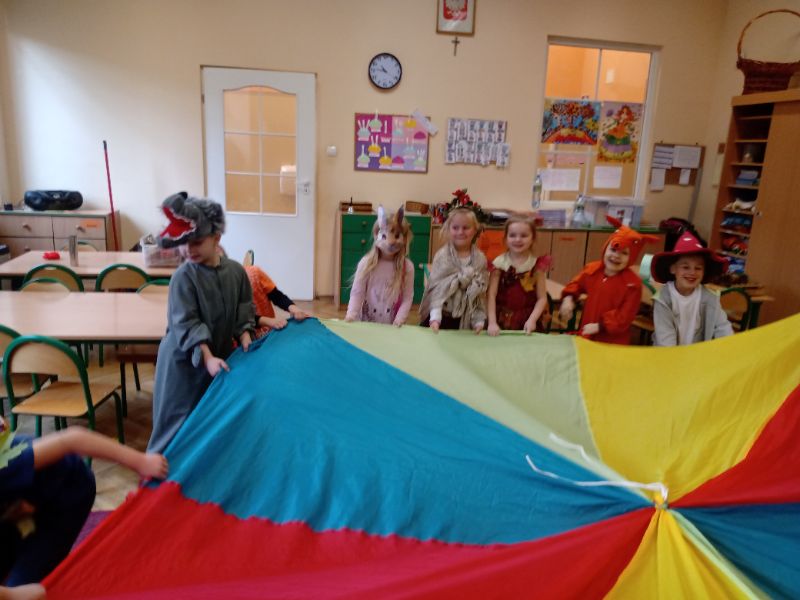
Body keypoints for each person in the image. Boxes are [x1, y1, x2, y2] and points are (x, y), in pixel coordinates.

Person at [1, 420, 167, 594]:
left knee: (27, 579)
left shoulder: (10, 467)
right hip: (19, 499)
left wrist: (141, 461)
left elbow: (72, 439)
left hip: (67, 492)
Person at [147, 192, 255, 453]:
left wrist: (244, 334)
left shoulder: (236, 272)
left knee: (208, 419)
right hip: (183, 363)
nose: (188, 249)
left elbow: (243, 307)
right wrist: (206, 357)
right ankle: (160, 469)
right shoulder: (183, 278)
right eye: (184, 243)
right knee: (177, 423)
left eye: (196, 242)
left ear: (216, 238)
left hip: (217, 358)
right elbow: (187, 323)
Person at [558, 217, 659, 344]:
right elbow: (576, 284)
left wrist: (600, 326)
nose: (616, 256)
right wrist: (568, 299)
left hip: (612, 341)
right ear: (605, 248)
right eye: (613, 249)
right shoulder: (593, 270)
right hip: (587, 335)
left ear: (632, 257)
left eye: (624, 253)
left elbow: (625, 315)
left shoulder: (632, 284)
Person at [650, 231, 733, 345]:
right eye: (685, 267)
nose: (692, 272)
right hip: (668, 353)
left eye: (698, 268)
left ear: (704, 271)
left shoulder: (710, 298)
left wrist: (728, 346)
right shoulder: (663, 300)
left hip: (697, 354)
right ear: (673, 269)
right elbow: (665, 338)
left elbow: (722, 327)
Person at [419, 207, 489, 333]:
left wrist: (478, 320)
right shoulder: (442, 256)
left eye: (466, 228)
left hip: (467, 318)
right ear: (448, 229)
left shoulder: (480, 259)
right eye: (455, 228)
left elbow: (480, 292)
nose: (460, 232)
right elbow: (436, 289)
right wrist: (435, 318)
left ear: (475, 230)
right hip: (441, 316)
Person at [345, 206, 415, 326]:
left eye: (396, 236)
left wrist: (399, 320)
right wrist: (351, 314)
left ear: (404, 238)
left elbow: (407, 298)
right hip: (366, 325)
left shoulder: (407, 267)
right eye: (384, 236)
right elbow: (357, 293)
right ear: (376, 235)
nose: (390, 243)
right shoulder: (366, 264)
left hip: (392, 327)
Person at [487, 214, 551, 336]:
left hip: (528, 320)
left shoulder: (536, 265)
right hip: (501, 320)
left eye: (524, 235)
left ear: (533, 238)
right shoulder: (499, 263)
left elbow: (542, 298)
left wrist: (532, 320)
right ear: (505, 238)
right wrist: (492, 322)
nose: (518, 239)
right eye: (512, 235)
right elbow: (491, 295)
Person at [246, 265, 312, 337]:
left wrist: (293, 308)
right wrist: (268, 321)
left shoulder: (255, 273)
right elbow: (241, 318)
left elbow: (277, 296)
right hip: (247, 336)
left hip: (268, 330)